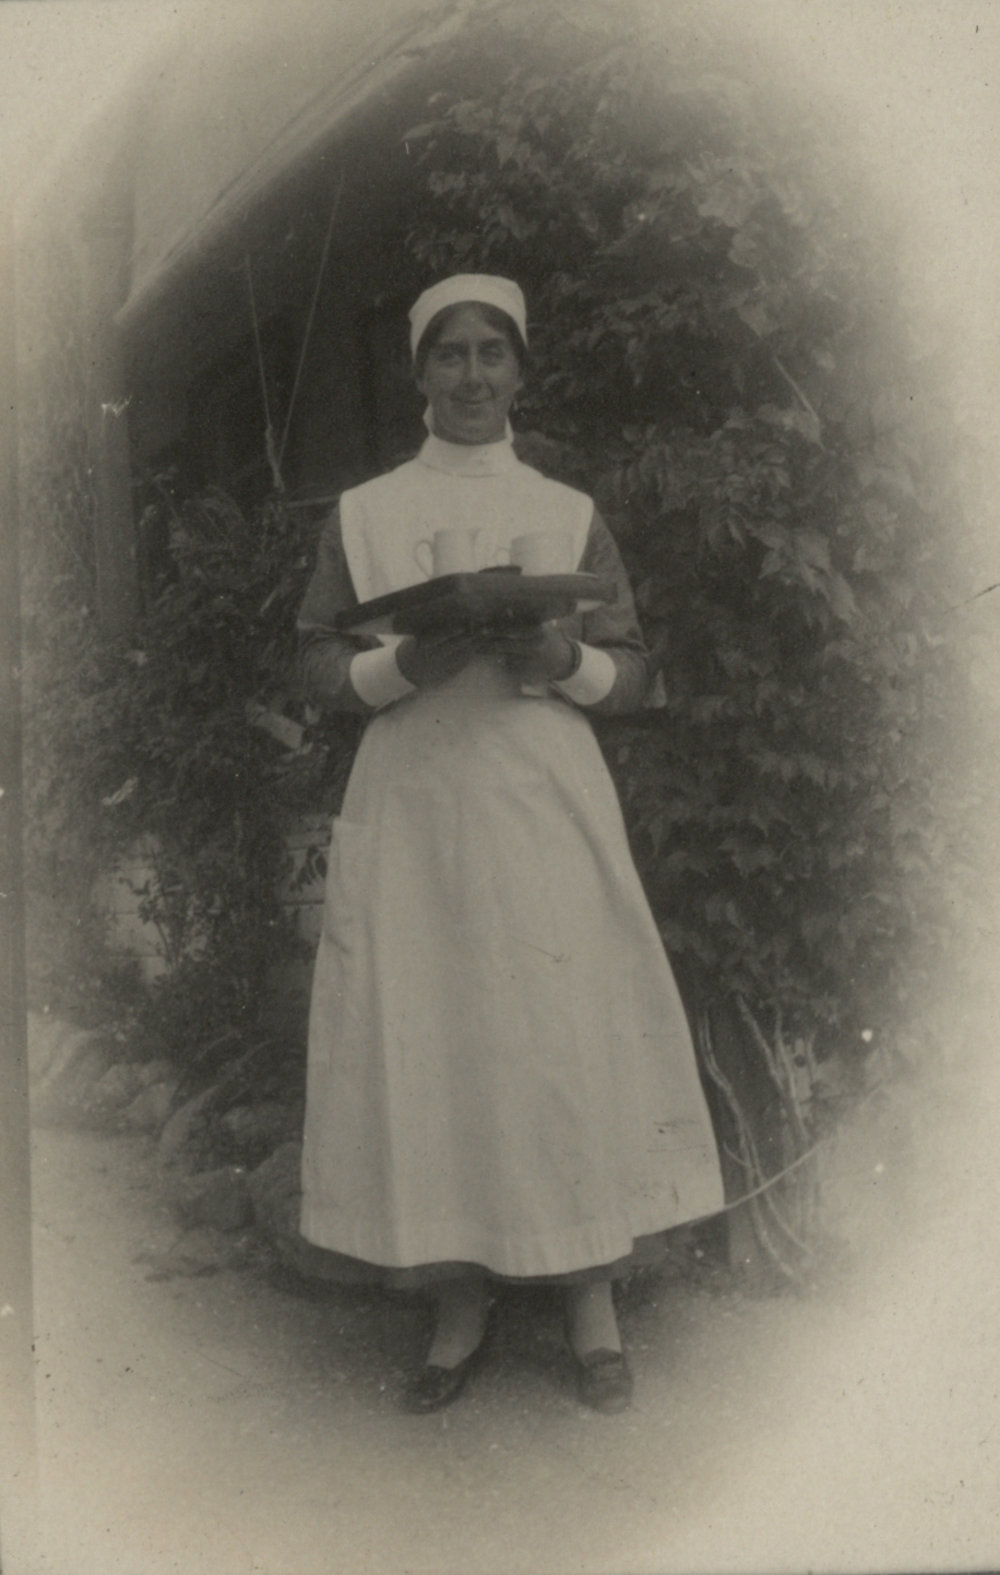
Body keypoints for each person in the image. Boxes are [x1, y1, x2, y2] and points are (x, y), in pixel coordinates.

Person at [296, 274, 723, 1415]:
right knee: (434, 1041)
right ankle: (456, 1304)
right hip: (419, 805)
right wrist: (403, 664)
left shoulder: (569, 506)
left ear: (521, 371)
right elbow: (308, 667)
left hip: (542, 798)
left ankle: (591, 1297)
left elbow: (634, 669)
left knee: (555, 1033)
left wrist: (562, 664)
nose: (473, 376)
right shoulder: (365, 511)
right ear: (419, 372)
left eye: (494, 354)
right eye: (451, 355)